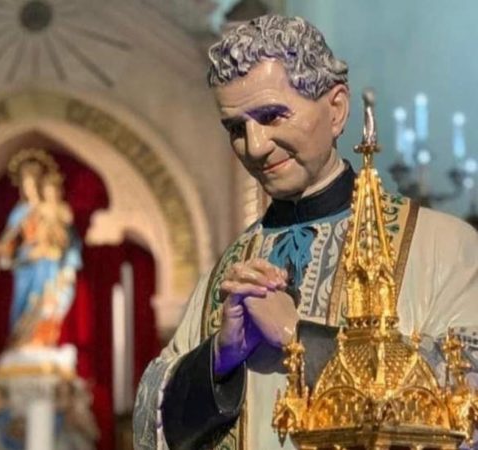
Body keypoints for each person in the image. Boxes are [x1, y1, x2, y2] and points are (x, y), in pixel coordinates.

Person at [133, 14, 478, 450]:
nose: (255, 146)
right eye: (236, 128)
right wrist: (219, 359)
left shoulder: (445, 248)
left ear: (336, 109)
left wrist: (300, 338)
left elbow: (465, 398)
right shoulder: (225, 274)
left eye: (272, 116)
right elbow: (152, 422)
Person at [0, 152, 83, 347]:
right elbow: (8, 242)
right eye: (26, 185)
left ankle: (41, 340)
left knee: (46, 302)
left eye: (33, 184)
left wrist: (67, 262)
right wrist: (7, 250)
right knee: (23, 303)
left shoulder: (53, 209)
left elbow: (68, 240)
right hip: (26, 264)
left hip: (48, 264)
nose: (30, 189)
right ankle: (20, 341)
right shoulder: (20, 212)